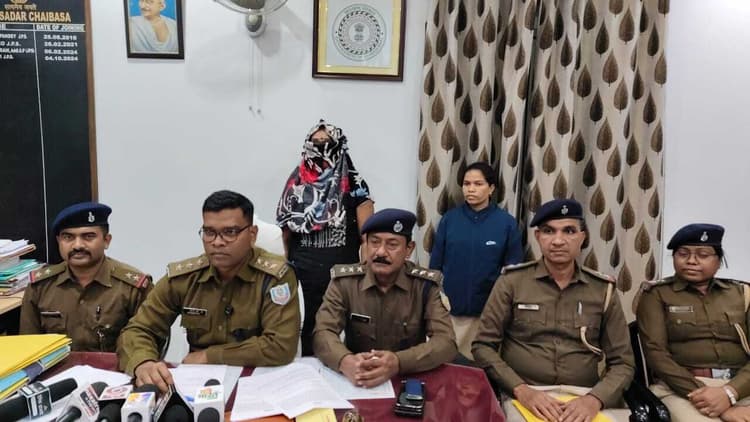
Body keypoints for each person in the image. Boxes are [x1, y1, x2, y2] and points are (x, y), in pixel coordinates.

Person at [118, 190, 300, 392]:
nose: (217, 242)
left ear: (252, 235)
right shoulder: (186, 278)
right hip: (197, 383)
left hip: (257, 381)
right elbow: (139, 329)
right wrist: (143, 362)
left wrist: (209, 356)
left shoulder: (275, 276)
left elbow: (280, 345)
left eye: (230, 232)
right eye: (209, 232)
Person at [472, 198, 634, 422]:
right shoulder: (512, 282)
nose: (558, 240)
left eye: (569, 231)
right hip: (524, 395)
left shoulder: (602, 289)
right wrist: (521, 390)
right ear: (538, 236)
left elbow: (623, 362)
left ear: (582, 237)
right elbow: (483, 346)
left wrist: (594, 400)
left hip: (584, 397)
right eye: (549, 231)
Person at [313, 208, 457, 388]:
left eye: (392, 245)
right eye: (374, 242)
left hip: (407, 379)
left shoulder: (425, 286)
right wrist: (345, 361)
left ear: (409, 249)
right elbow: (322, 332)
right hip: (358, 379)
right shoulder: (345, 282)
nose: (380, 252)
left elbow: (446, 343)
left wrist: (398, 362)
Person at [276, 119, 374, 356]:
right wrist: (284, 264)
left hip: (343, 272)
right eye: (315, 142)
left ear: (339, 145)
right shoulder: (296, 182)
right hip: (305, 272)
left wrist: (367, 269)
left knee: (349, 328)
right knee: (310, 326)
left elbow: (367, 235)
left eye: (326, 142)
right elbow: (285, 229)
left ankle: (350, 367)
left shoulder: (354, 183)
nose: (320, 147)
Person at [636, 224, 750, 421]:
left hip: (741, 386)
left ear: (719, 261)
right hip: (683, 389)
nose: (691, 261)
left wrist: (730, 392)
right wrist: (709, 398)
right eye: (683, 254)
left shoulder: (742, 294)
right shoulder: (656, 294)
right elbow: (656, 354)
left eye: (702, 255)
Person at [20, 202, 152, 352]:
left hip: (116, 366)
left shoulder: (132, 287)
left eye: (88, 236)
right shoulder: (40, 286)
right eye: (68, 237)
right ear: (59, 241)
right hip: (57, 367)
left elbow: (146, 343)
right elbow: (28, 345)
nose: (77, 245)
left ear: (106, 241)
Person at [429, 161, 523, 359]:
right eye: (466, 184)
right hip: (451, 312)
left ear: (491, 188)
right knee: (449, 365)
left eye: (478, 184)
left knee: (482, 366)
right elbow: (435, 268)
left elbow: (513, 273)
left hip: (489, 315)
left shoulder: (506, 223)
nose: (470, 189)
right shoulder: (450, 220)